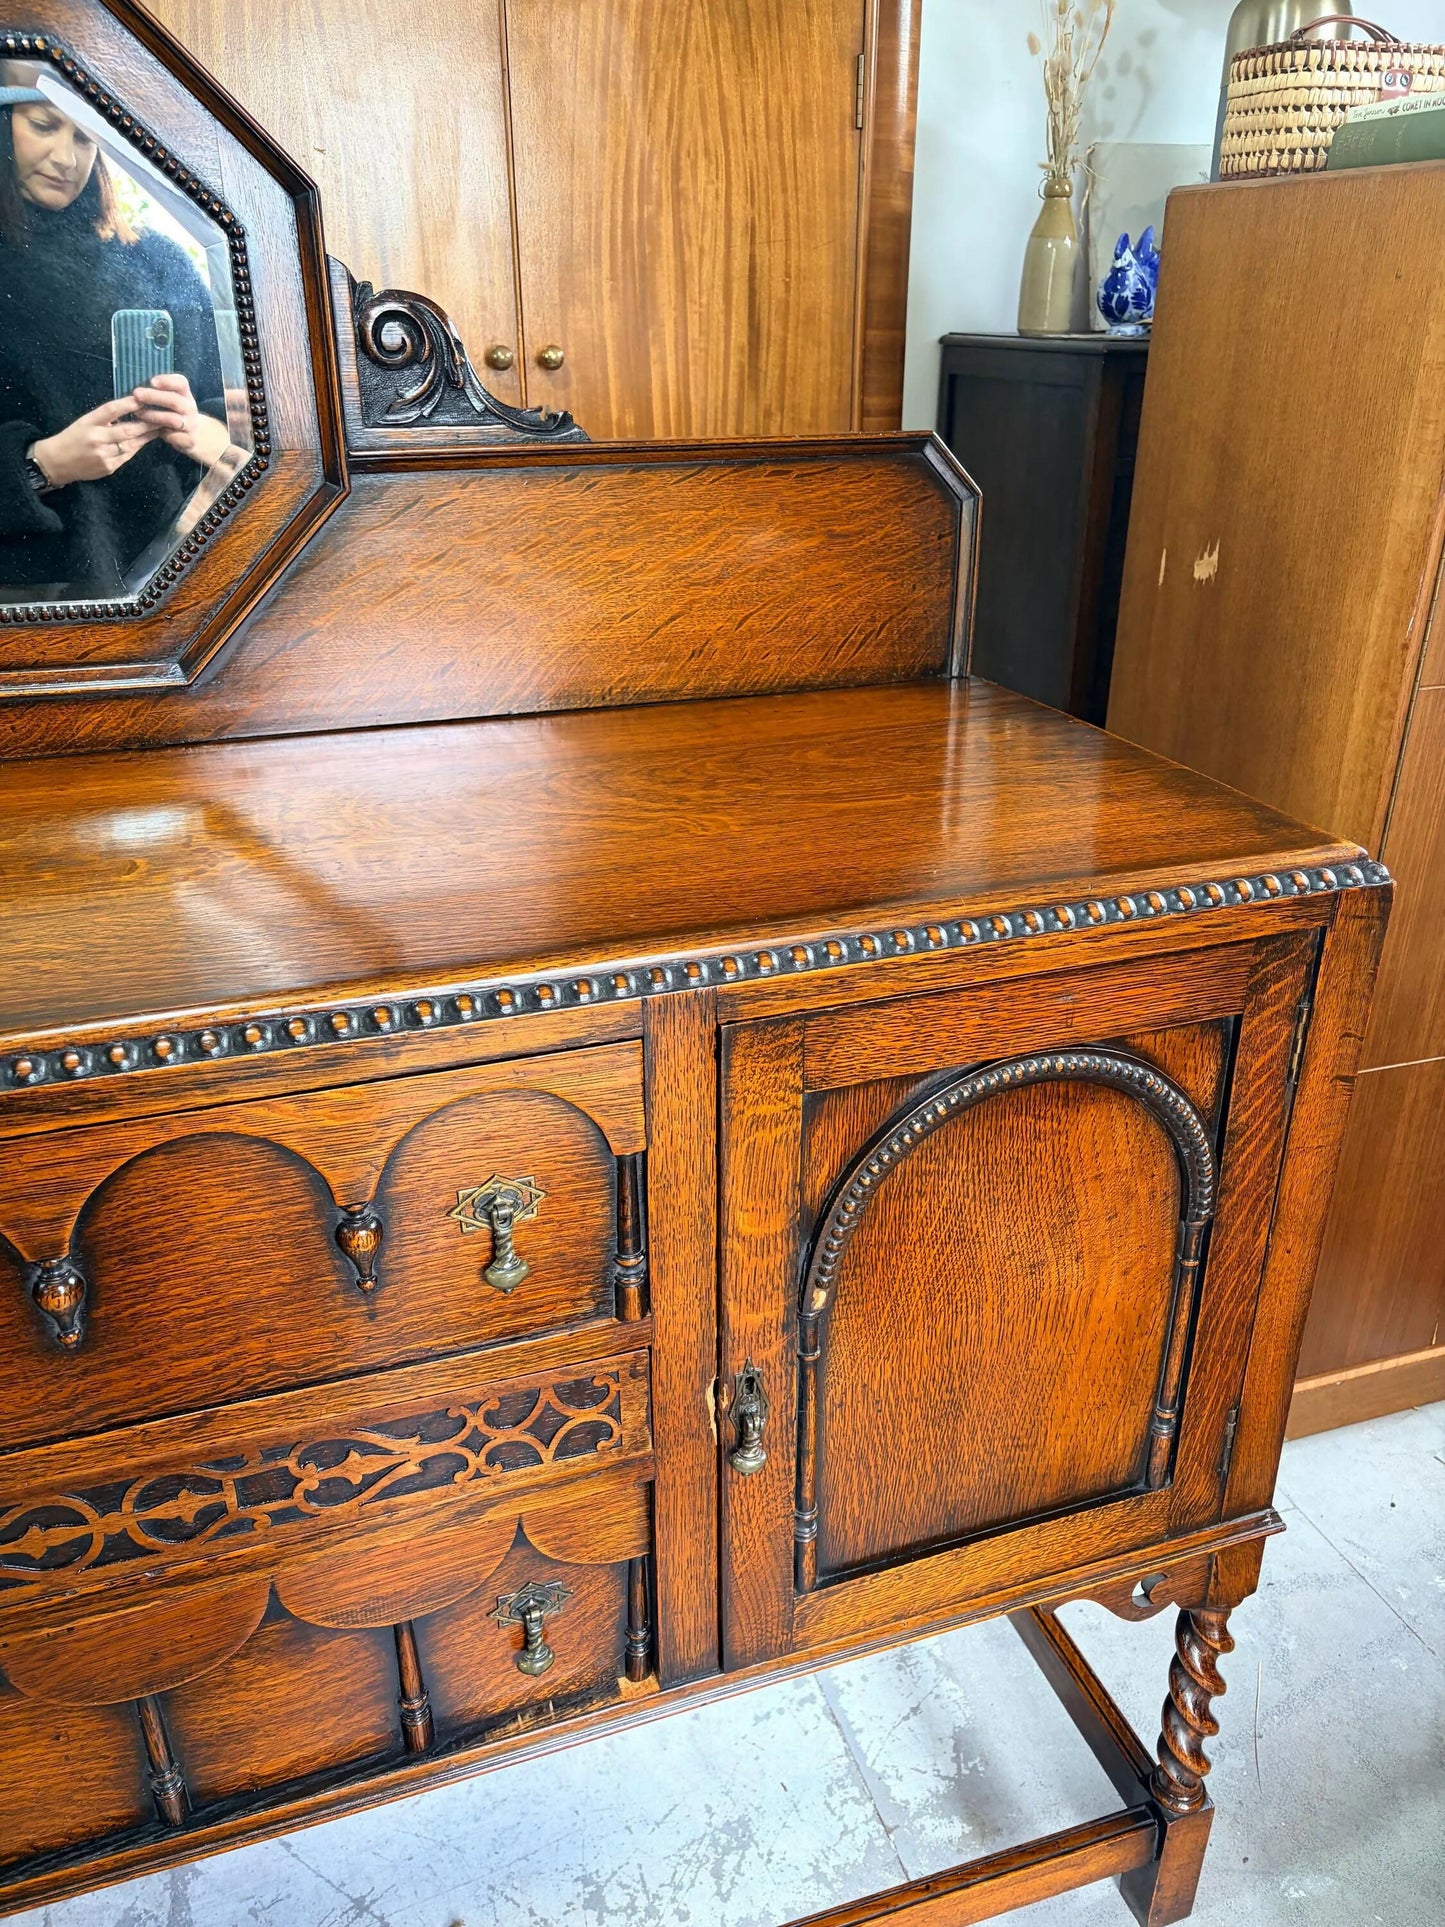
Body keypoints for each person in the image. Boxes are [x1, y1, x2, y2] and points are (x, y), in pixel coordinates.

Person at [0, 68, 233, 597]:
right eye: (43, 125)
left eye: (84, 135)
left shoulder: (159, 261)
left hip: (184, 570)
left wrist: (196, 430)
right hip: (31, 593)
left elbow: (249, 426)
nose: (67, 157)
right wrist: (44, 465)